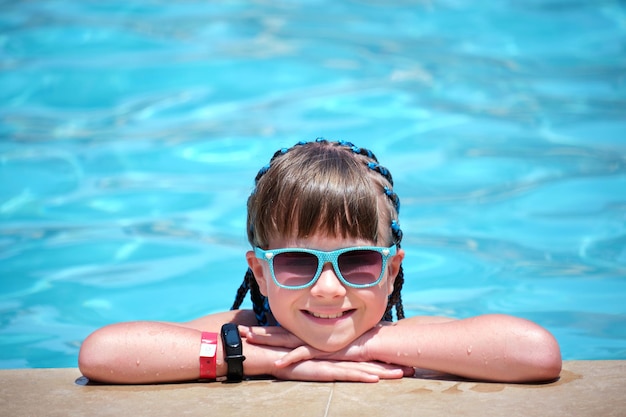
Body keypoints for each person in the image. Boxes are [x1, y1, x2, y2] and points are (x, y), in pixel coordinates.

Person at [78, 139, 562, 384]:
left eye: (356, 262)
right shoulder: (245, 332)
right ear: (261, 274)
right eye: (295, 263)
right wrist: (270, 361)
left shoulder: (406, 340)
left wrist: (359, 349)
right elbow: (104, 353)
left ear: (391, 270)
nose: (328, 288)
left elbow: (535, 353)